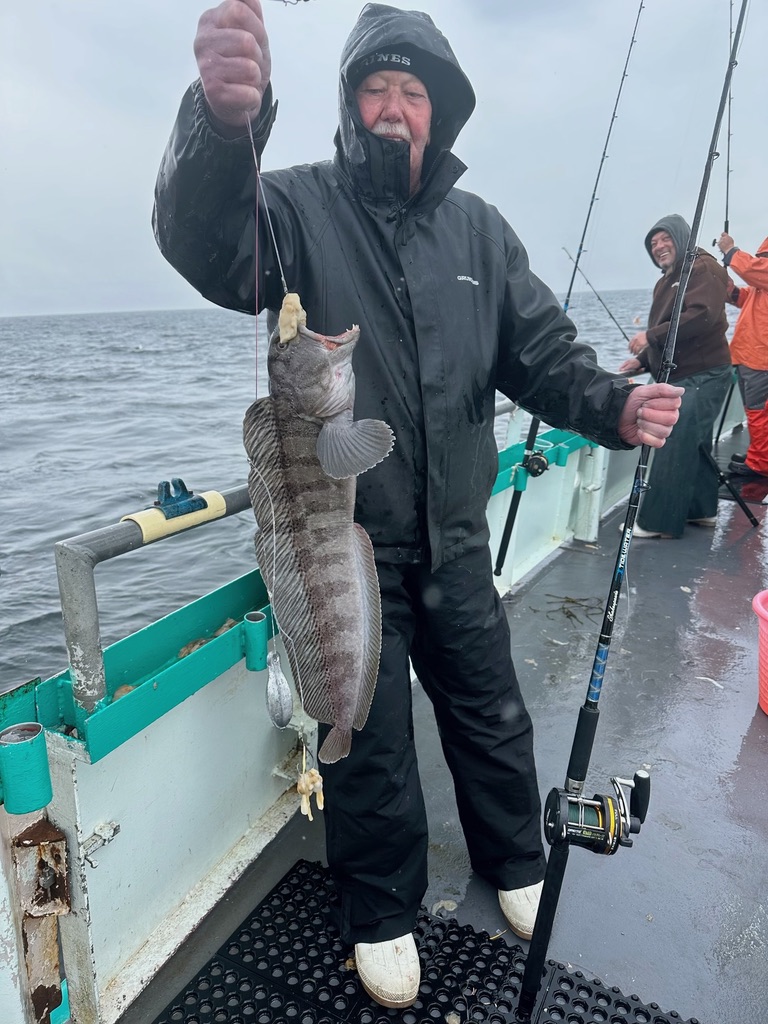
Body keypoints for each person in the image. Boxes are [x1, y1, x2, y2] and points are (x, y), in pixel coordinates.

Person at [153, 1, 683, 1009]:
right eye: (375, 89)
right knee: (370, 730)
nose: (394, 107)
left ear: (440, 114)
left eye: (414, 91)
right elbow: (209, 242)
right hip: (353, 533)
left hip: (456, 534)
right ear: (351, 104)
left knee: (490, 707)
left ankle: (517, 855)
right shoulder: (299, 208)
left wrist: (614, 404)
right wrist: (222, 130)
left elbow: (541, 354)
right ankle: (381, 911)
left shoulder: (480, 228)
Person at [618, 215, 731, 539]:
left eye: (664, 239)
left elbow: (701, 316)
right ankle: (702, 511)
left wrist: (649, 337)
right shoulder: (667, 279)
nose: (658, 247)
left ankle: (658, 523)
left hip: (704, 372)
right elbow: (670, 333)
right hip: (683, 374)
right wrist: (641, 361)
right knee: (695, 443)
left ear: (681, 237)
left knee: (675, 441)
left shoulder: (703, 267)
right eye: (653, 244)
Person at [716, 231, 768, 478]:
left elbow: (752, 270)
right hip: (750, 357)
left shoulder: (763, 273)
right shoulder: (762, 286)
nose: (763, 261)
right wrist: (731, 290)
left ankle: (760, 464)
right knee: (755, 412)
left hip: (761, 359)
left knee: (758, 413)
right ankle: (759, 456)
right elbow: (747, 295)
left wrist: (729, 250)